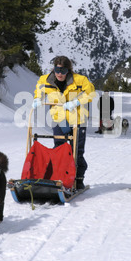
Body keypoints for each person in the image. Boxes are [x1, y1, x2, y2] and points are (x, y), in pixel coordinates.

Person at [32, 56, 96, 189]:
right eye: (57, 70)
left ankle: (78, 178)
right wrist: (37, 99)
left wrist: (76, 102)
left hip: (77, 119)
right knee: (59, 148)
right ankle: (59, 176)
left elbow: (91, 93)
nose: (60, 74)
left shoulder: (80, 80)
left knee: (76, 151)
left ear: (68, 70)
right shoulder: (46, 80)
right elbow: (39, 89)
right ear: (53, 69)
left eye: (63, 71)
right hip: (59, 118)